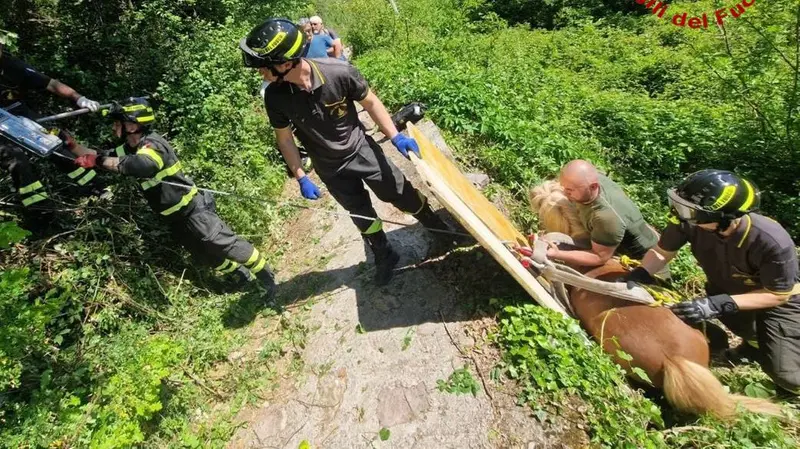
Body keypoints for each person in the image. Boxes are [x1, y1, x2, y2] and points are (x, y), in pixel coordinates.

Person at [239, 18, 451, 286]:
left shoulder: (339, 72)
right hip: (330, 168)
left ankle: (437, 226)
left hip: (362, 150)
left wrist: (395, 137)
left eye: (263, 67)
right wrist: (301, 175)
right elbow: (285, 139)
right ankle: (384, 254)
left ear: (284, 63)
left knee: (400, 192)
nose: (261, 73)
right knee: (361, 214)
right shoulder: (275, 97)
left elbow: (371, 102)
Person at [72, 97, 277, 294]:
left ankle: (267, 278)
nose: (113, 128)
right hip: (175, 219)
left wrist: (97, 162)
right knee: (203, 255)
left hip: (194, 211)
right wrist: (70, 145)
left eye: (117, 123)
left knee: (226, 244)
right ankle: (242, 276)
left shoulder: (152, 145)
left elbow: (143, 165)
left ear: (132, 125)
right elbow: (102, 155)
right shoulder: (129, 147)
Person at [627, 169, 799, 395]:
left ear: (722, 217)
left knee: (786, 374)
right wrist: (641, 273)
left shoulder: (771, 241)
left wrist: (715, 305)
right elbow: (662, 251)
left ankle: (791, 388)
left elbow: (778, 294)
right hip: (728, 289)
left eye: (689, 210)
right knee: (744, 328)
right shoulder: (690, 221)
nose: (681, 213)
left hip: (779, 302)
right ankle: (754, 347)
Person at [0, 29, 102, 214]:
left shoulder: (12, 66)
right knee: (17, 159)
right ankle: (40, 210)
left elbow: (51, 84)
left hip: (19, 114)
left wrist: (78, 98)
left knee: (55, 142)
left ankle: (95, 189)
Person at [547, 159, 660, 268]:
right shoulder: (592, 180)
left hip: (646, 260)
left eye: (570, 190)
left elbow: (599, 257)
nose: (565, 193)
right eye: (564, 187)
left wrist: (558, 254)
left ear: (593, 186)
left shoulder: (605, 217)